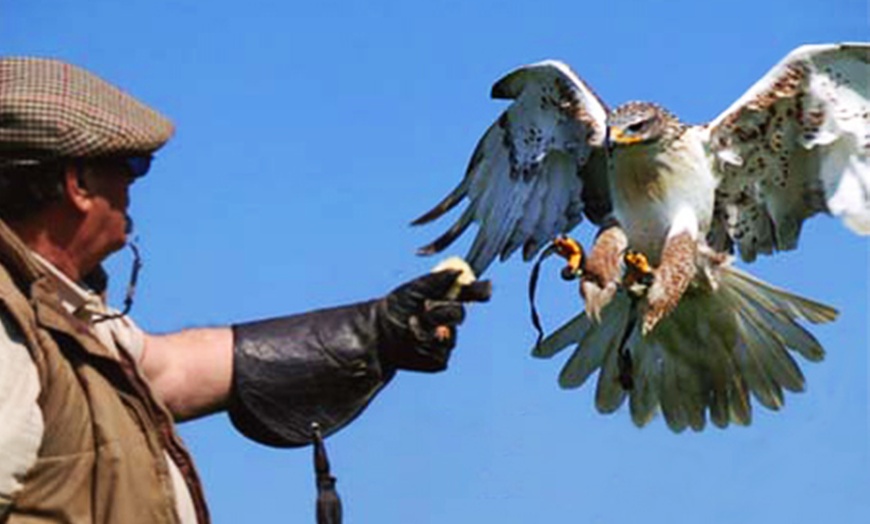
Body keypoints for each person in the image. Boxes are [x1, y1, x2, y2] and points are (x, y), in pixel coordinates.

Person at [0, 57, 489, 523]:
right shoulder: (8, 325)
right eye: (132, 165)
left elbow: (164, 372)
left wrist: (375, 331)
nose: (133, 187)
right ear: (78, 183)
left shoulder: (63, 313)